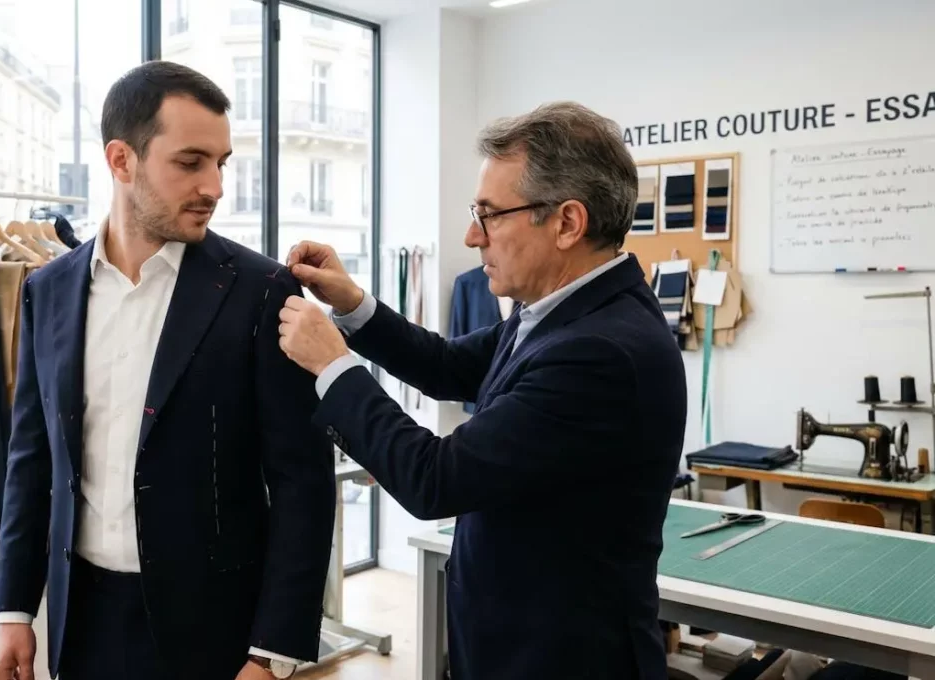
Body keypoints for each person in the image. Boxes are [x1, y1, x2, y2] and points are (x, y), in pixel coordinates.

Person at [277, 101, 687, 679]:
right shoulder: (555, 314)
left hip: (560, 658)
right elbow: (446, 366)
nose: (472, 236)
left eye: (490, 215)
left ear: (567, 223)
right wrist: (352, 304)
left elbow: (435, 478)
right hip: (509, 642)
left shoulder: (601, 351)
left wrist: (334, 368)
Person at [0, 61, 336, 680]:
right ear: (122, 161)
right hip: (82, 623)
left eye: (221, 163)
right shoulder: (47, 290)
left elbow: (302, 483)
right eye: (190, 162)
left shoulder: (261, 291)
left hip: (216, 633)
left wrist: (273, 653)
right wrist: (13, 609)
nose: (214, 186)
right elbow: (31, 458)